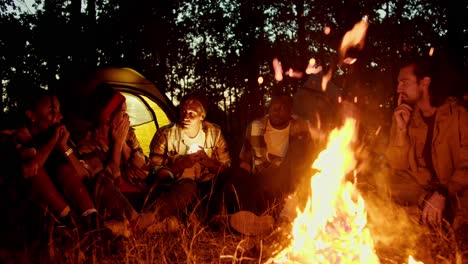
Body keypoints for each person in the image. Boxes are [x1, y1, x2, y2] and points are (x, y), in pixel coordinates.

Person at [73, 84, 173, 236]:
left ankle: (137, 224)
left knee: (186, 184)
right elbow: (108, 182)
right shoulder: (87, 144)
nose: (127, 118)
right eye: (123, 113)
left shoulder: (129, 135)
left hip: (142, 196)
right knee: (100, 181)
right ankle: (145, 224)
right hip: (117, 202)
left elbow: (145, 172)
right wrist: (117, 145)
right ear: (107, 116)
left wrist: (124, 145)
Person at [384, 57, 468, 230]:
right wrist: (401, 131)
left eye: (404, 82)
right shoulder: (406, 116)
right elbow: (398, 166)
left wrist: (444, 192)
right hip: (425, 190)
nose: (398, 88)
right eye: (398, 83)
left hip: (455, 190)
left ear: (425, 82)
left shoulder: (458, 114)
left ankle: (444, 216)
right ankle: (430, 211)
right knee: (385, 179)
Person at [0, 88, 97, 232]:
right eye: (52, 111)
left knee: (64, 169)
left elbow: (83, 175)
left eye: (59, 110)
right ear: (32, 115)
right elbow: (32, 169)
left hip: (54, 202)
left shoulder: (57, 136)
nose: (59, 117)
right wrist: (52, 143)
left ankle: (93, 222)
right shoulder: (14, 137)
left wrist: (64, 147)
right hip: (19, 206)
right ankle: (71, 223)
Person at [216, 93, 313, 236]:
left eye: (282, 107)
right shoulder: (256, 127)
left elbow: (307, 158)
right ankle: (251, 219)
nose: (276, 110)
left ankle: (282, 215)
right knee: (237, 176)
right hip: (262, 178)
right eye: (273, 106)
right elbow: (245, 160)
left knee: (299, 147)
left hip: (286, 181)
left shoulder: (300, 127)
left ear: (290, 111)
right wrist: (239, 179)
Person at [148, 92, 231, 224]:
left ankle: (230, 217)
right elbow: (154, 172)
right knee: (188, 187)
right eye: (183, 112)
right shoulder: (165, 134)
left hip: (206, 187)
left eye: (192, 113)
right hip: (177, 187)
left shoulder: (214, 133)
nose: (186, 117)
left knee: (230, 182)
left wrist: (208, 162)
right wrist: (181, 165)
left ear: (202, 116)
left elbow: (226, 168)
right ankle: (153, 217)